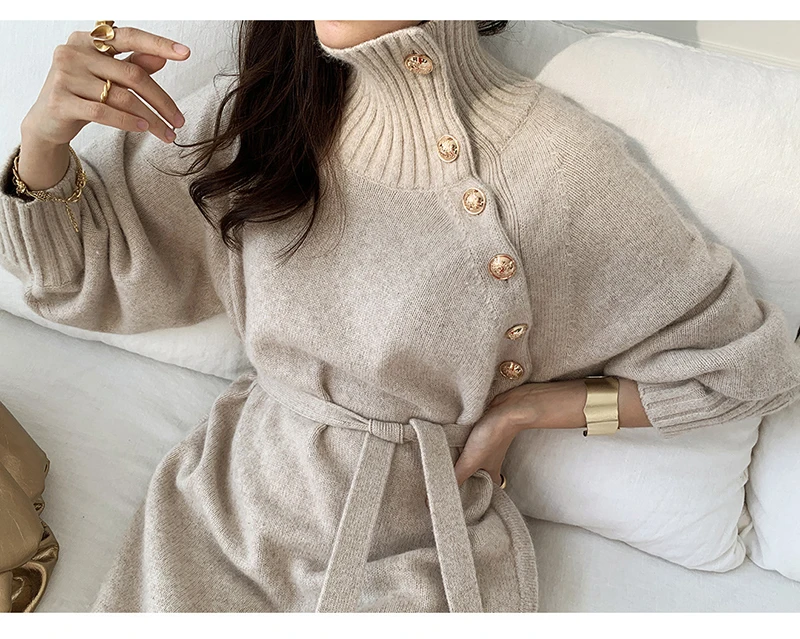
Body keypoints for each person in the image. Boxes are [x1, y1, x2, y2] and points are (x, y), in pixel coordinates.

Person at [2, 19, 799, 613]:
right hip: (221, 512)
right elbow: (77, 275)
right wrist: (43, 139)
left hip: (416, 544)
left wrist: (529, 409)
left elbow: (746, 369)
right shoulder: (265, 112)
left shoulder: (557, 161)